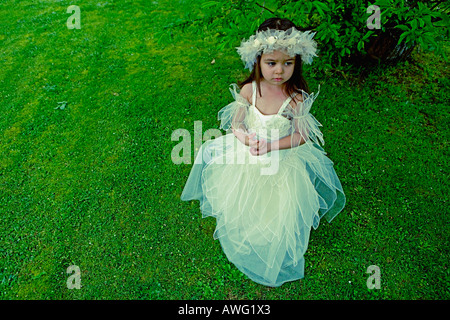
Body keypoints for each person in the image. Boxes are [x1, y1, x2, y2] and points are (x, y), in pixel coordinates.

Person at [181, 18, 346, 287]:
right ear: (257, 61)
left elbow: (301, 135)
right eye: (271, 63)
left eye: (288, 63)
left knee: (278, 202)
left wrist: (270, 146)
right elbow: (236, 122)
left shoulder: (296, 99)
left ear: (297, 62)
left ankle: (270, 225)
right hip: (248, 154)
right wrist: (244, 137)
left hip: (281, 159)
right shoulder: (249, 90)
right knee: (240, 192)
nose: (279, 71)